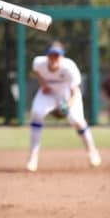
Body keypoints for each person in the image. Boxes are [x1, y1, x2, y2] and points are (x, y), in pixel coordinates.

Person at [25, 41, 101, 172]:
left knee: (76, 120)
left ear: (62, 56)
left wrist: (67, 106)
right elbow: (36, 71)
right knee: (37, 113)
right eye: (51, 55)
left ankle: (92, 151)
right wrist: (43, 84)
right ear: (47, 56)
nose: (54, 58)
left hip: (67, 94)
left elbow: (74, 91)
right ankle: (33, 157)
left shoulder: (69, 67)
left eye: (57, 55)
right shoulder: (39, 62)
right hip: (48, 93)